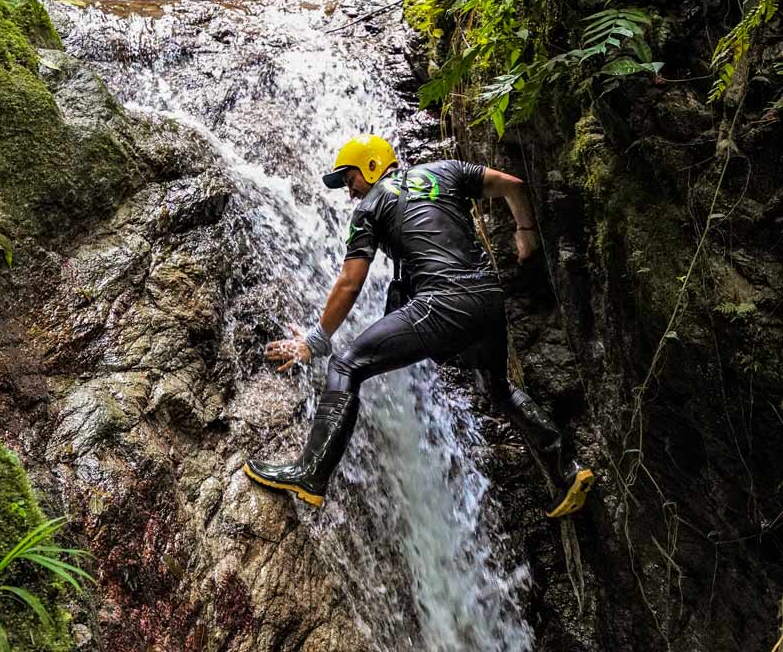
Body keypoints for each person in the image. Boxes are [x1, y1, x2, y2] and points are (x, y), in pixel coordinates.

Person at [244, 134, 594, 519]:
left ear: (372, 166)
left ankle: (310, 474)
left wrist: (315, 340)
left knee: (345, 366)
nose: (350, 192)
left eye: (350, 180)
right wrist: (525, 233)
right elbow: (513, 185)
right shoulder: (448, 170)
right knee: (496, 388)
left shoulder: (372, 205)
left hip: (443, 301)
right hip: (488, 298)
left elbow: (350, 282)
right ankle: (568, 471)